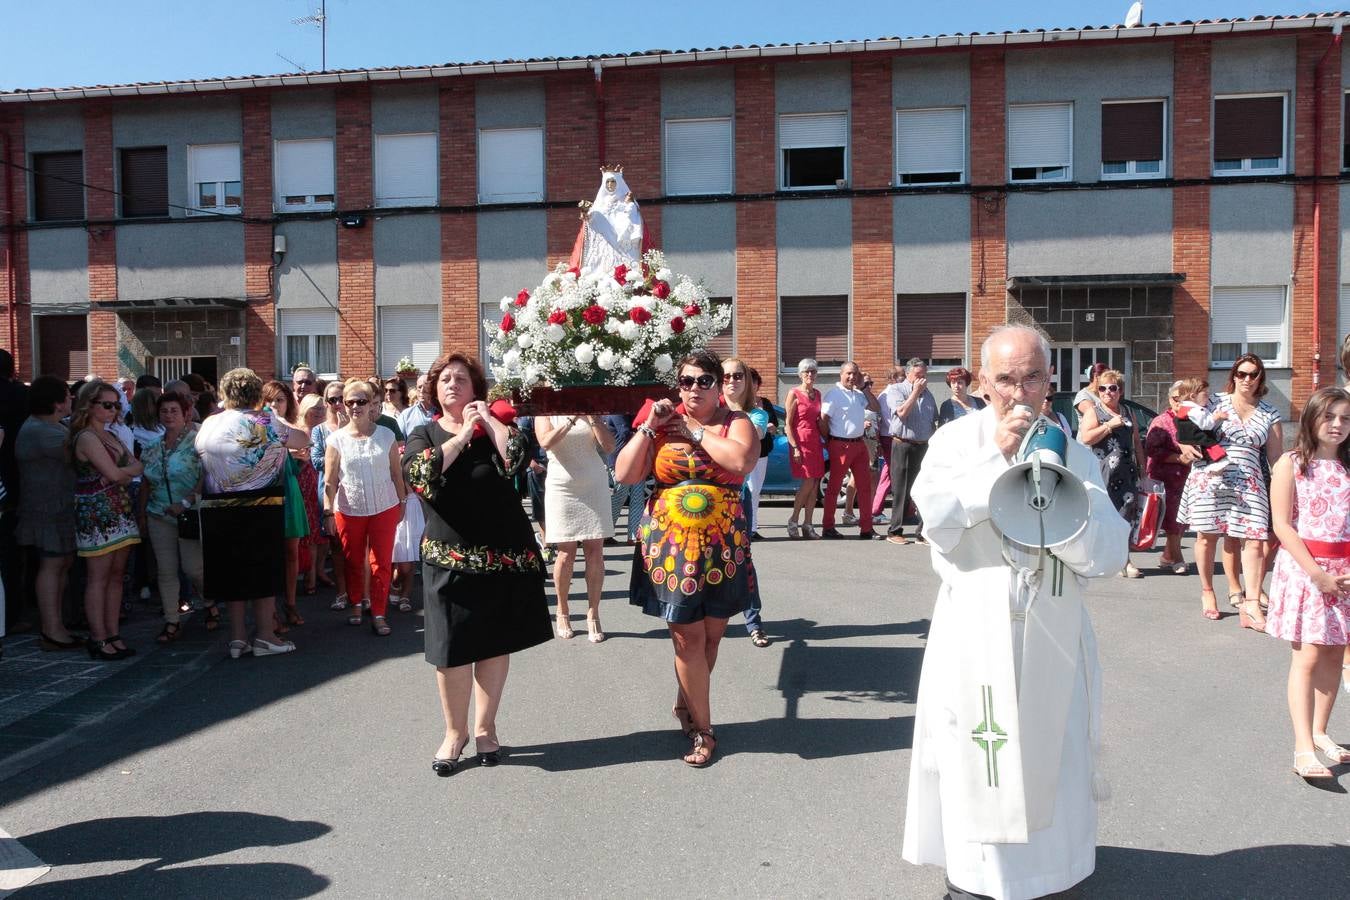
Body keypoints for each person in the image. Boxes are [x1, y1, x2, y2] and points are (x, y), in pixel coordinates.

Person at [902, 324, 1130, 900]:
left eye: (1032, 378)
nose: (1019, 392)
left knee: (1055, 759)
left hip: (1051, 632)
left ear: (1049, 382)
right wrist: (997, 460)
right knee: (977, 754)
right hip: (974, 633)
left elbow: (1109, 553)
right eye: (1005, 378)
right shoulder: (954, 442)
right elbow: (936, 523)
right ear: (983, 382)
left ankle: (1052, 879)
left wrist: (1062, 517)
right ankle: (975, 881)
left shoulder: (1074, 453)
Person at [402, 352, 552, 775]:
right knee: (450, 650)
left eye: (462, 379)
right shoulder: (424, 433)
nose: (453, 384)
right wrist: (464, 433)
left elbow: (517, 459)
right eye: (445, 379)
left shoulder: (496, 430)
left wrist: (487, 421)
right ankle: (455, 733)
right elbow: (420, 475)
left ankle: (486, 729)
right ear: (434, 390)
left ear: (476, 390)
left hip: (500, 557)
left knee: (493, 644)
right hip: (448, 558)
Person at [616, 350, 759, 767]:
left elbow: (741, 460)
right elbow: (624, 474)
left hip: (722, 544)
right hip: (672, 546)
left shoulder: (736, 422)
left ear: (719, 385)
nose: (694, 389)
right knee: (687, 638)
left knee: (711, 636)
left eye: (703, 381)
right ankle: (704, 729)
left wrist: (694, 430)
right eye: (686, 381)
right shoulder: (661, 423)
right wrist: (649, 427)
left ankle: (686, 704)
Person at [1262, 387, 1350, 780]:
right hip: (1306, 570)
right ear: (1312, 418)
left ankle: (1320, 731)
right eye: (1328, 416)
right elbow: (1282, 524)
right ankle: (1303, 748)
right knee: (1309, 656)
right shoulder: (1292, 463)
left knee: (1334, 653)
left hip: (1345, 572)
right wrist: (1317, 574)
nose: (1337, 425)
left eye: (1345, 418)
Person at [196, 367, 308, 659]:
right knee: (262, 572)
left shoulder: (209, 422)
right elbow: (301, 440)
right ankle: (265, 636)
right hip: (261, 505)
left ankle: (237, 639)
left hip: (217, 507)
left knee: (231, 573)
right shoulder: (264, 420)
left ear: (225, 393)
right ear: (257, 394)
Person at [1177, 354, 1283, 625]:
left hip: (1250, 480)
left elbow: (1276, 458)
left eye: (1253, 374)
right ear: (1233, 375)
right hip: (1210, 476)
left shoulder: (1269, 412)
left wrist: (1287, 486)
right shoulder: (1214, 401)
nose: (1247, 379)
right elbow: (1181, 419)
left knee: (1255, 540)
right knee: (1206, 537)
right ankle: (1207, 591)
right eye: (1241, 373)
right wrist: (1184, 445)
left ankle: (1251, 603)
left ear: (1260, 377)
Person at [324, 379, 406, 636]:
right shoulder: (336, 440)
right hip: (349, 509)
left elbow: (397, 474)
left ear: (372, 404)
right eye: (350, 402)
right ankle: (356, 603)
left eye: (361, 401)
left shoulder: (386, 435)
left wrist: (402, 502)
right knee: (353, 561)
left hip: (385, 506)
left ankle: (379, 613)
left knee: (381, 562)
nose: (355, 407)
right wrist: (328, 511)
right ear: (343, 405)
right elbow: (330, 481)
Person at [69, 380, 143, 659]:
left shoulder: (111, 435)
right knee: (98, 577)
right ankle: (99, 637)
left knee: (116, 575)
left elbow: (137, 465)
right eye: (107, 405)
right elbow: (117, 473)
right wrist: (122, 473)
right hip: (96, 512)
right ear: (89, 405)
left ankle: (113, 634)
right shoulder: (87, 437)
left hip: (119, 507)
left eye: (116, 405)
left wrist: (121, 473)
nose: (113, 410)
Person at [535, 412, 615, 642]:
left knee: (595, 551)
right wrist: (571, 419)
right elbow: (546, 442)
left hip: (594, 483)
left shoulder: (592, 412)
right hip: (562, 485)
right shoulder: (546, 412)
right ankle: (562, 610)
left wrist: (593, 418)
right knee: (565, 553)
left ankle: (593, 613)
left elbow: (609, 447)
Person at [15, 376, 80, 650]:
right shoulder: (43, 431)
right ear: (56, 402)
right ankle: (51, 629)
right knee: (52, 565)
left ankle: (56, 626)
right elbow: (83, 452)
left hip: (56, 508)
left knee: (60, 563)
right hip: (47, 509)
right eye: (67, 394)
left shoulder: (49, 427)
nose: (71, 398)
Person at [139, 391, 206, 643]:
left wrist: (186, 502)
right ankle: (171, 621)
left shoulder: (197, 443)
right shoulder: (151, 447)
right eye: (164, 411)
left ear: (186, 413)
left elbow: (206, 476)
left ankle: (209, 601)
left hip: (189, 514)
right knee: (166, 570)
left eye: (174, 410)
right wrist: (141, 515)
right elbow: (146, 483)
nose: (168, 415)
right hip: (158, 514)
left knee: (193, 569)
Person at [1076, 369, 1145, 579]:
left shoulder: (1127, 411)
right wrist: (1108, 426)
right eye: (1103, 389)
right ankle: (1098, 558)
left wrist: (1143, 468)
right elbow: (1086, 437)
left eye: (1112, 388)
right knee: (1101, 515)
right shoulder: (1094, 411)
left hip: (1127, 471)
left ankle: (1125, 560)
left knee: (1126, 516)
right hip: (1103, 471)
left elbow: (1136, 442)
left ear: (1120, 391)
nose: (1107, 392)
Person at [722, 358, 771, 648]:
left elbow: (750, 439)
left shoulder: (757, 414)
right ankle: (710, 619)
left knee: (743, 561)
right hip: (708, 498)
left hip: (739, 495)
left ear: (747, 381)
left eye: (738, 376)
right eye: (725, 376)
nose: (731, 381)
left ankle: (753, 622)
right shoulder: (709, 412)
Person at [262, 380, 318, 629]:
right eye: (269, 400)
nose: (274, 405)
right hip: (267, 493)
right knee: (271, 554)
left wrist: (299, 459)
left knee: (291, 552)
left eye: (280, 400)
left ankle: (291, 603)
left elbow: (299, 461)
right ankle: (271, 611)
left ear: (288, 403)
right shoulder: (260, 426)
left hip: (289, 491)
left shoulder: (292, 430)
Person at [1145, 381, 1205, 577]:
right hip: (1165, 477)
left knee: (1183, 520)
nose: (1179, 402)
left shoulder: (1194, 418)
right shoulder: (1161, 421)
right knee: (1172, 520)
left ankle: (1167, 556)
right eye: (1175, 398)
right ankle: (1178, 558)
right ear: (1170, 399)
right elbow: (1152, 450)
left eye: (1184, 398)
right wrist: (1179, 458)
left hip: (1189, 477)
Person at [884, 358, 939, 545]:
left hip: (924, 446)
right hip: (904, 444)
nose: (922, 379)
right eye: (918, 375)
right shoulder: (897, 390)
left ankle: (922, 532)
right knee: (902, 490)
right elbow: (902, 413)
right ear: (908, 374)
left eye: (924, 375)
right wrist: (915, 392)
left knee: (924, 489)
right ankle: (894, 531)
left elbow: (933, 420)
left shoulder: (928, 394)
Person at [819, 361, 875, 540]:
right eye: (848, 373)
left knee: (864, 487)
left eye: (855, 374)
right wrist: (829, 440)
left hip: (859, 444)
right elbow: (823, 419)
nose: (852, 377)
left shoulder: (859, 394)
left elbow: (875, 407)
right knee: (834, 488)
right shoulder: (834, 394)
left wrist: (865, 388)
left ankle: (866, 528)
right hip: (840, 444)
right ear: (841, 374)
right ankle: (828, 527)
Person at [312, 380, 351, 609]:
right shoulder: (319, 430)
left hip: (354, 490)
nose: (337, 404)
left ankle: (360, 592)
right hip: (330, 493)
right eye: (332, 399)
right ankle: (342, 592)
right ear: (326, 402)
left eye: (341, 399)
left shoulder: (358, 426)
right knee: (336, 546)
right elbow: (317, 461)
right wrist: (338, 443)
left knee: (358, 546)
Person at [785, 358, 825, 539]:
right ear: (800, 374)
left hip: (815, 441)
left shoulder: (817, 394)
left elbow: (819, 420)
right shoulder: (793, 393)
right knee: (808, 481)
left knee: (815, 483)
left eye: (813, 371)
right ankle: (793, 519)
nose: (810, 374)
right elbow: (788, 424)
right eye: (806, 371)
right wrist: (794, 446)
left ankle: (808, 524)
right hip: (801, 441)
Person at [577, 166, 644, 274]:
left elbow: (634, 218)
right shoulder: (599, 202)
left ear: (618, 183)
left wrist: (629, 205)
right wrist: (586, 215)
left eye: (613, 181)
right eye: (607, 182)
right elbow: (593, 218)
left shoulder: (626, 201)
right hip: (605, 240)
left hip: (621, 241)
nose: (610, 184)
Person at [842, 372, 881, 528]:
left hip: (872, 441)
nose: (869, 386)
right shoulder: (853, 397)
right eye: (866, 383)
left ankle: (868, 513)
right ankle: (848, 512)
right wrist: (861, 424)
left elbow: (877, 410)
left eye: (871, 383)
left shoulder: (867, 397)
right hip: (859, 440)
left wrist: (878, 441)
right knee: (856, 478)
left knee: (873, 477)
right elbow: (845, 418)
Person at [870, 365, 904, 526]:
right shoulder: (889, 394)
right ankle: (875, 509)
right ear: (893, 378)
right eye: (902, 376)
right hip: (891, 437)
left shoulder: (889, 393)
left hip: (890, 437)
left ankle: (876, 508)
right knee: (892, 473)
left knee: (888, 472)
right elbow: (891, 419)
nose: (905, 378)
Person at [1173, 380, 1231, 473]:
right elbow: (1206, 425)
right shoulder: (1194, 410)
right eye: (1205, 394)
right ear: (1193, 396)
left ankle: (1213, 463)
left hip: (1188, 436)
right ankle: (1218, 461)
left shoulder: (1187, 408)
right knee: (1211, 445)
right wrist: (1217, 417)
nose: (1208, 396)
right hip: (1195, 436)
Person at [747, 368, 778, 540]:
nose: (752, 386)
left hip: (762, 452)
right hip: (746, 452)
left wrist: (771, 427)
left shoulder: (765, 403)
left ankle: (752, 526)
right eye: (748, 382)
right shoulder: (739, 404)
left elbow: (774, 423)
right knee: (749, 490)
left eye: (754, 382)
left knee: (756, 490)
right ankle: (747, 527)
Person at [604, 414, 643, 546]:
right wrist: (644, 434)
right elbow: (625, 433)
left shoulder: (628, 413)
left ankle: (634, 535)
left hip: (635, 458)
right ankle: (607, 532)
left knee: (636, 497)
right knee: (620, 496)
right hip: (619, 460)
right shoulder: (617, 413)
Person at [397, 372, 436, 437]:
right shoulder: (406, 415)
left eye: (426, 387)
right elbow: (399, 440)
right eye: (419, 387)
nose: (422, 391)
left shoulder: (442, 412)